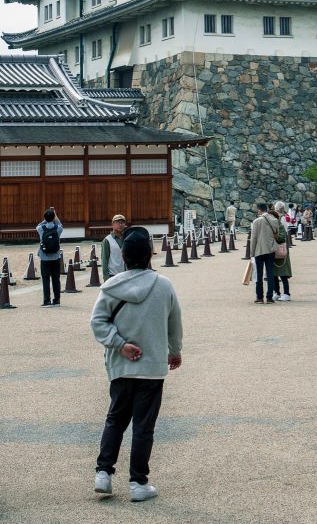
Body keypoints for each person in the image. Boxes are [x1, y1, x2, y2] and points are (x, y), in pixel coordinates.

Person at [90, 226, 183, 502]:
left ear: (124, 257)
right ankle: (138, 483)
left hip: (121, 365)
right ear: (150, 256)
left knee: (115, 419)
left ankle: (103, 474)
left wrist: (119, 344)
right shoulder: (164, 285)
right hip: (152, 367)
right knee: (144, 426)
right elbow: (174, 323)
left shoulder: (111, 287)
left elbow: (97, 322)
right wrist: (174, 350)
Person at [250, 202, 279, 303]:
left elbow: (253, 238)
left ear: (259, 210)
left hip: (259, 249)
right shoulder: (274, 220)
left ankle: (259, 297)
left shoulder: (257, 221)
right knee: (270, 273)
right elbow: (277, 234)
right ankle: (269, 297)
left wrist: (251, 252)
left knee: (259, 274)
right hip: (271, 249)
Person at [36, 207, 63, 306]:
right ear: (53, 218)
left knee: (45, 279)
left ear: (45, 218)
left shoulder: (41, 229)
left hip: (44, 257)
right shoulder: (58, 228)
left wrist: (47, 218)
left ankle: (46, 301)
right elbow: (60, 224)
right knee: (56, 279)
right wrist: (54, 215)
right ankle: (57, 300)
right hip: (56, 257)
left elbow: (38, 225)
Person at [272, 202, 293, 300]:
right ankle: (277, 292)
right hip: (277, 246)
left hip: (281, 246)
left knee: (282, 271)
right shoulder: (278, 218)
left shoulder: (282, 218)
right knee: (274, 272)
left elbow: (283, 233)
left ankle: (286, 293)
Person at [101, 214, 127, 281]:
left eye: (122, 222)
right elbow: (104, 260)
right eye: (118, 222)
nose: (120, 224)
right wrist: (106, 278)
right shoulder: (107, 240)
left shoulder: (127, 239)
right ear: (113, 224)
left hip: (126, 275)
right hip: (113, 276)